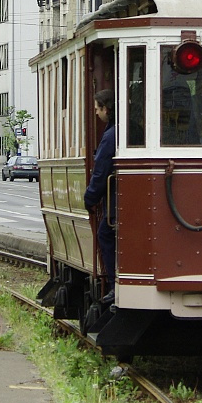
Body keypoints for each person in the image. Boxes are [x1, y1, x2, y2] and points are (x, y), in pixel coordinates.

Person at [83, 89, 116, 302]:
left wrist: (90, 198)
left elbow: (101, 170)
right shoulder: (128, 128)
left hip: (117, 203)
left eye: (97, 109)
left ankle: (114, 283)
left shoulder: (111, 135)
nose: (96, 113)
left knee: (105, 233)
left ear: (106, 108)